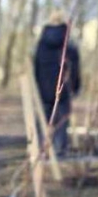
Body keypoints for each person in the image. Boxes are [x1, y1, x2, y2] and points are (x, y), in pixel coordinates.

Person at [33, 10, 81, 156]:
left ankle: (41, 147)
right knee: (61, 119)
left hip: (43, 87)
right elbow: (75, 68)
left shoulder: (41, 44)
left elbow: (36, 67)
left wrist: (38, 85)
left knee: (43, 118)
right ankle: (59, 149)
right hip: (63, 87)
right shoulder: (69, 45)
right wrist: (75, 86)